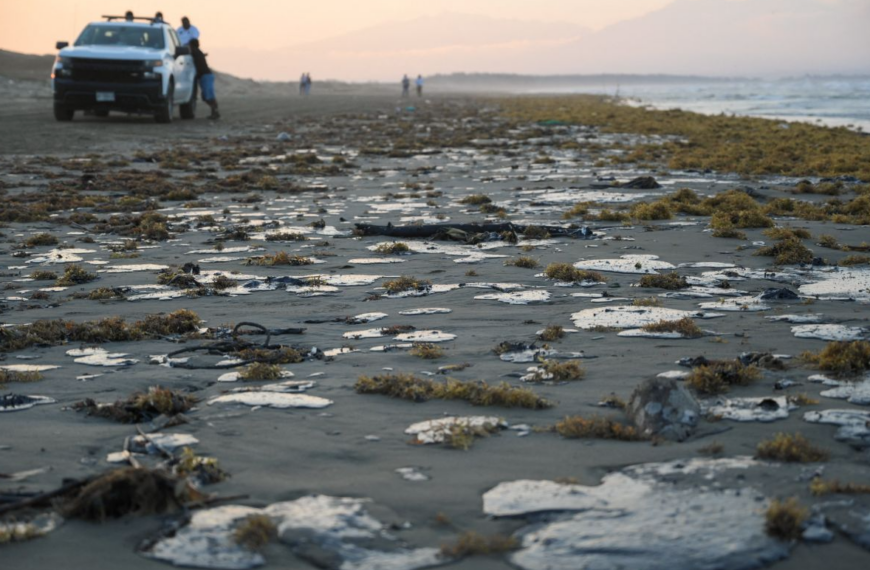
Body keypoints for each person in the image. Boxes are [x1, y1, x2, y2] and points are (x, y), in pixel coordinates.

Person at [188, 38, 219, 119]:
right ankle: (214, 112)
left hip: (206, 76)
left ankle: (215, 112)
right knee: (206, 96)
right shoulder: (198, 52)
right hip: (205, 76)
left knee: (208, 96)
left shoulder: (195, 52)